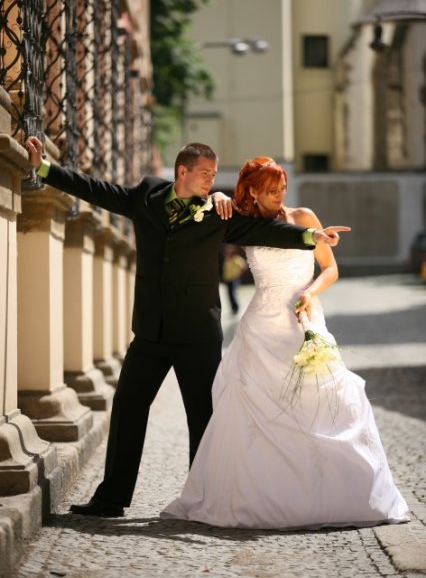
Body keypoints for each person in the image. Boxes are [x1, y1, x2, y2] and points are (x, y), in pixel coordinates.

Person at [25, 138, 349, 518]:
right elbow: (98, 190)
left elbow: (262, 231)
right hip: (151, 330)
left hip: (198, 334)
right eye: (206, 173)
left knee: (203, 418)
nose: (212, 180)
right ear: (182, 171)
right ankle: (111, 498)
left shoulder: (217, 212)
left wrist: (310, 237)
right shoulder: (146, 196)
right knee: (128, 406)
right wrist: (44, 168)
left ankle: (204, 498)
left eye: (215, 174)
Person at [161, 156, 409, 529]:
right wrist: (215, 198)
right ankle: (262, 497)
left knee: (325, 402)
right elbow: (195, 214)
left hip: (303, 321)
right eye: (271, 191)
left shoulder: (303, 217)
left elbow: (330, 268)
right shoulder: (242, 222)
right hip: (261, 329)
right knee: (253, 414)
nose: (279, 196)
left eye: (282, 189)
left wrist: (310, 292)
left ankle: (333, 495)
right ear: (252, 193)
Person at [221, 244, 247, 314]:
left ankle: (236, 308)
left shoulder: (237, 259)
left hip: (234, 280)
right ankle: (233, 308)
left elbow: (244, 266)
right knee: (229, 294)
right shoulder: (227, 259)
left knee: (232, 294)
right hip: (228, 280)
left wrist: (238, 274)